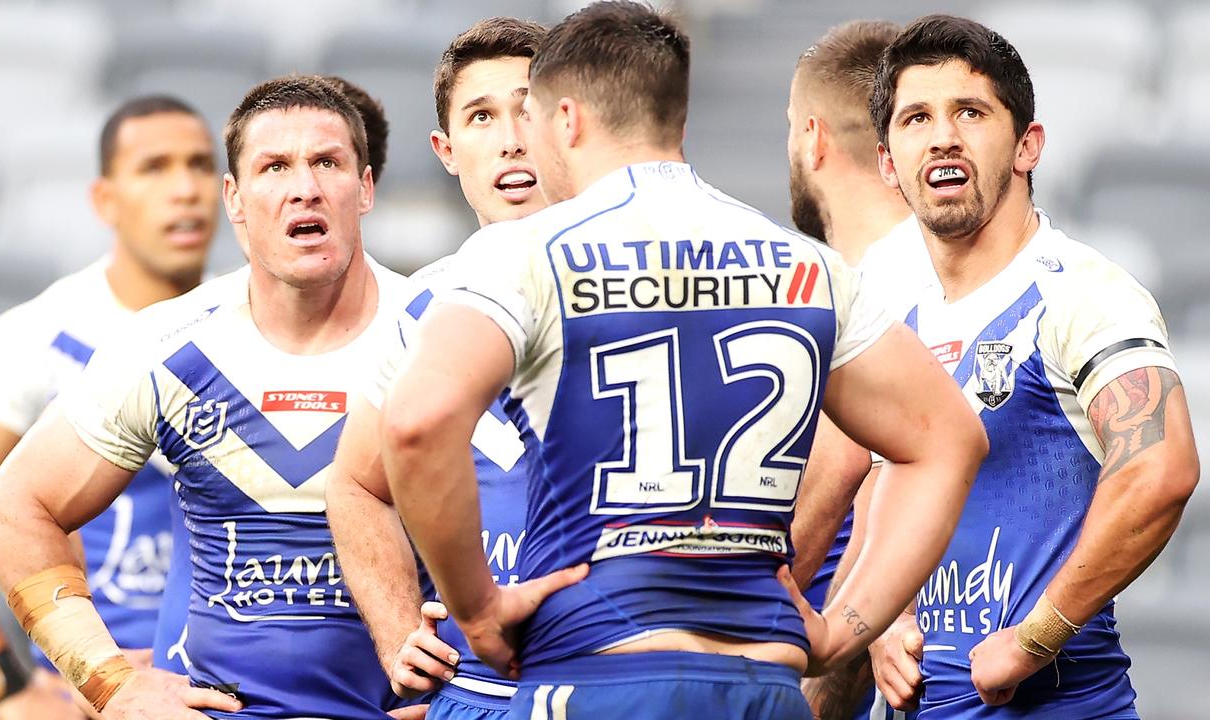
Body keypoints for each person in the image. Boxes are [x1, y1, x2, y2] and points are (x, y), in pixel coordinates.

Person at [376, 3, 987, 718]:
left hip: (601, 674)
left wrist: (476, 608)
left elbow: (416, 423)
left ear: (565, 120)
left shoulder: (524, 254)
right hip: (763, 686)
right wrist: (844, 629)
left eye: (531, 118)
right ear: (678, 122)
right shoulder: (806, 264)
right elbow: (949, 439)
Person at [0, 75, 417, 720]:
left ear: (366, 186)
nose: (303, 187)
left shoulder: (443, 331)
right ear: (234, 198)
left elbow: (533, 521)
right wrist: (108, 681)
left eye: (327, 162)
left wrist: (481, 688)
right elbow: (12, 513)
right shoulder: (166, 345)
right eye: (274, 167)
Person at [858, 15, 1199, 718]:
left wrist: (1037, 638)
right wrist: (878, 615)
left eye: (971, 112)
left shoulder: (1081, 289)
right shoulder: (887, 307)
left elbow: (1161, 469)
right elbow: (876, 474)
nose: (943, 134)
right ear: (889, 163)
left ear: (1027, 145)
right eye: (917, 117)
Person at [0, 95, 217, 718]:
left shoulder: (256, 322)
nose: (184, 189)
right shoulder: (41, 335)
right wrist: (5, 686)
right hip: (98, 693)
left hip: (235, 690)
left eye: (198, 165)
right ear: (105, 200)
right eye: (154, 168)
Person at [327, 17, 552, 720]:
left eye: (529, 109)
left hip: (624, 683)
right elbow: (356, 485)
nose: (511, 138)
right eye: (481, 117)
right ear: (447, 151)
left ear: (573, 124)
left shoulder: (654, 279)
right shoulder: (424, 306)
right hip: (476, 696)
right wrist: (400, 636)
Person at [783, 20, 918, 720]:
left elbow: (843, 472)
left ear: (812, 137)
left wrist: (739, 620)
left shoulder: (856, 297)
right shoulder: (968, 277)